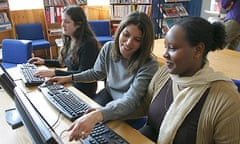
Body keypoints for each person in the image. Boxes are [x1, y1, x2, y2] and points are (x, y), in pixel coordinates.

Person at [46, 11, 159, 141]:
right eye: (126, 35)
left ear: (144, 43)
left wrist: (99, 114)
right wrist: (69, 78)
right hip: (109, 95)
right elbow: (96, 73)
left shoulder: (150, 64)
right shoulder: (109, 48)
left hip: (130, 110)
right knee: (82, 117)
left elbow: (131, 101)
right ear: (119, 31)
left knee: (100, 129)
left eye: (137, 39)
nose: (128, 43)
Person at [138, 17, 240, 143]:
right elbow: (143, 105)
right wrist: (109, 112)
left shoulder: (226, 99)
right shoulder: (165, 73)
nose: (165, 55)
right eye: (166, 47)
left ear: (198, 50)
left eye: (173, 48)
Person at [28, 5, 99, 97]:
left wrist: (55, 72)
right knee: (41, 92)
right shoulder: (70, 38)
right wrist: (44, 61)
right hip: (69, 83)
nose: (62, 25)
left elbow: (83, 74)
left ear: (79, 24)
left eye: (67, 22)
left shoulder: (89, 44)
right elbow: (65, 62)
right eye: (62, 20)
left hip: (82, 89)